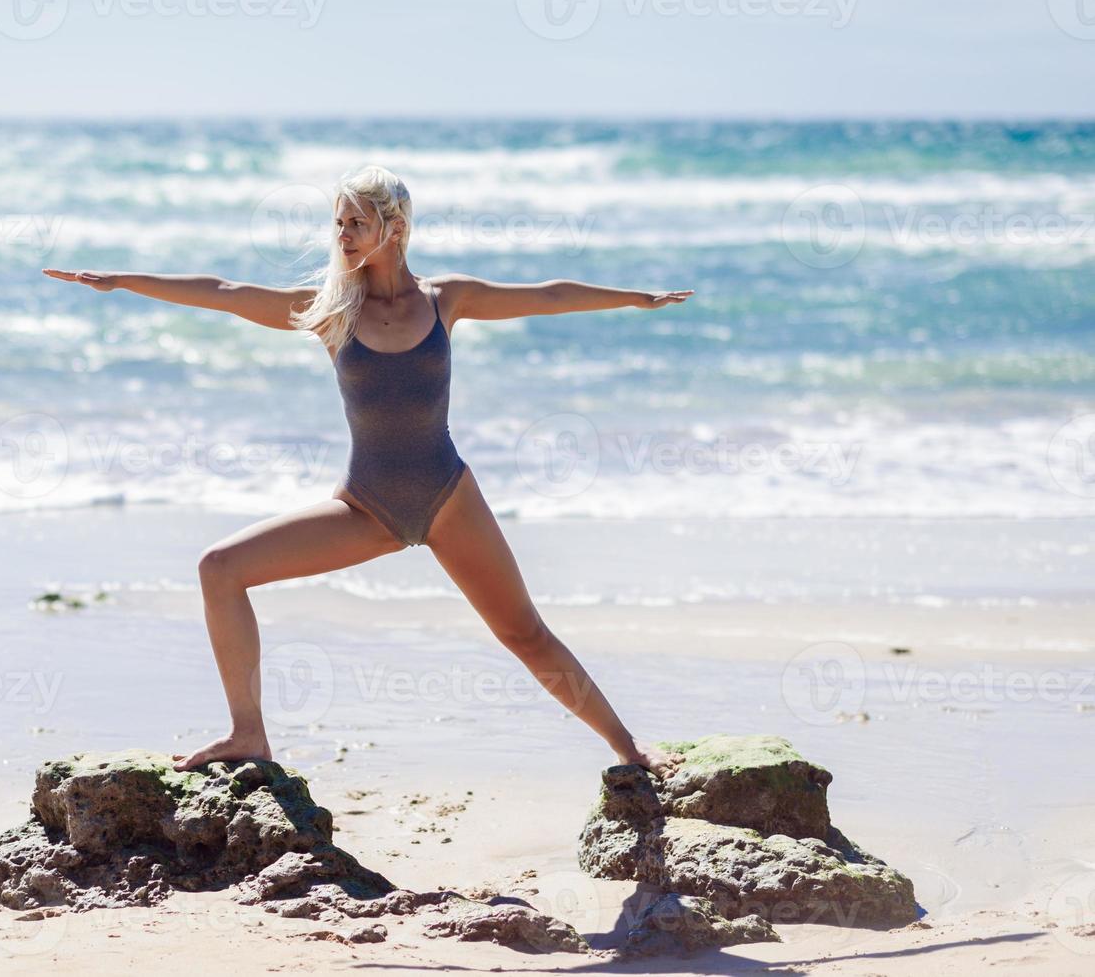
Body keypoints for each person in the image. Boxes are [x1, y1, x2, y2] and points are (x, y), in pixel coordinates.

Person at [44, 164, 694, 778]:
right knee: (220, 567)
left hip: (446, 497)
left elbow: (548, 294)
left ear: (395, 228)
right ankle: (249, 734)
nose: (342, 234)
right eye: (338, 223)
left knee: (523, 632)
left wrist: (636, 298)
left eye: (355, 222)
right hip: (367, 507)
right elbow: (225, 293)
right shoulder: (330, 308)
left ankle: (627, 746)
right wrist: (122, 280)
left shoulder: (447, 300)